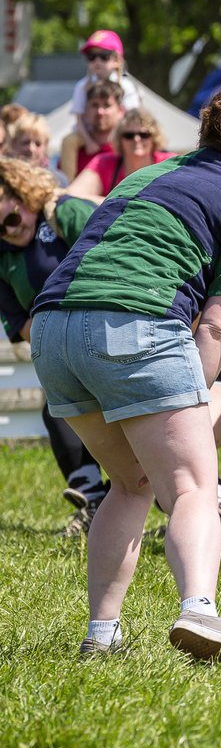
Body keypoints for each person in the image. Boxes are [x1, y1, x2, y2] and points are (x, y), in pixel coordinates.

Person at [28, 79, 221, 663]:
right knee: (192, 484)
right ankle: (200, 611)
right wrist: (195, 403)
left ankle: (102, 633)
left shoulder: (145, 175)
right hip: (134, 323)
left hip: (53, 331)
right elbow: (215, 328)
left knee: (131, 482)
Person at [0, 159, 107, 535]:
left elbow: (111, 262)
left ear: (23, 195)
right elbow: (18, 323)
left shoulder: (64, 212)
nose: (8, 233)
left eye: (11, 221)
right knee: (57, 410)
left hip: (111, 330)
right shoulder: (2, 257)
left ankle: (208, 502)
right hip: (62, 349)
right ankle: (92, 498)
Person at [65, 109, 175, 202]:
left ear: (154, 138)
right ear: (119, 140)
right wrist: (117, 204)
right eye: (129, 135)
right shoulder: (103, 163)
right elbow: (72, 194)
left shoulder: (170, 164)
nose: (137, 139)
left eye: (144, 135)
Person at [69, 31, 141, 162]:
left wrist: (114, 138)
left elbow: (132, 118)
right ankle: (68, 181)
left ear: (117, 60)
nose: (97, 61)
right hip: (88, 134)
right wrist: (89, 141)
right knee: (68, 142)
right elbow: (78, 119)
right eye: (91, 57)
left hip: (118, 135)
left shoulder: (126, 86)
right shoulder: (82, 86)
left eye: (104, 56)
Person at [59, 81, 125, 182]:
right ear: (85, 110)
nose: (100, 111)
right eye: (95, 105)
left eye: (107, 105)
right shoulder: (74, 152)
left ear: (120, 111)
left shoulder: (128, 150)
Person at [7, 113, 67, 185]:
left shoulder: (57, 181)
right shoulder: (5, 178)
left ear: (45, 145)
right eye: (26, 142)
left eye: (38, 144)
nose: (31, 149)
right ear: (14, 143)